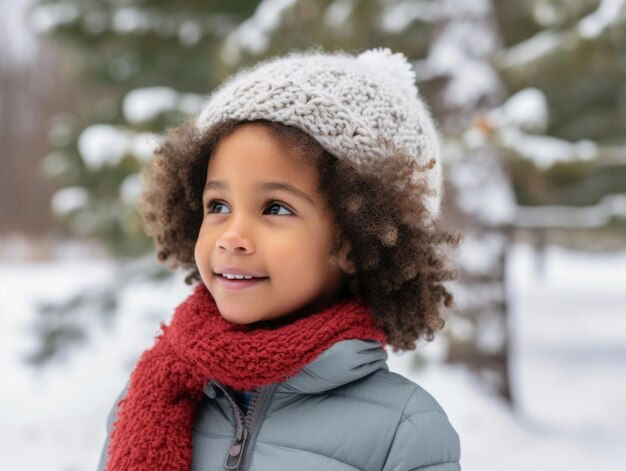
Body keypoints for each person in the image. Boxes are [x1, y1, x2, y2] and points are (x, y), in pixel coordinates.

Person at [98, 48, 461, 471]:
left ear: (358, 239)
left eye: (275, 208)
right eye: (217, 205)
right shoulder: (146, 402)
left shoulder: (403, 431)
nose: (232, 236)